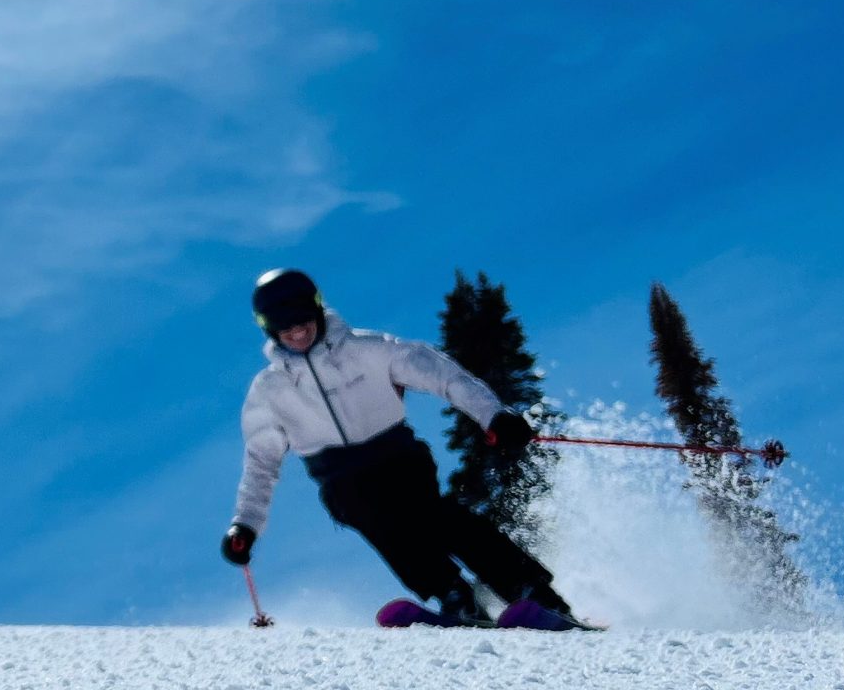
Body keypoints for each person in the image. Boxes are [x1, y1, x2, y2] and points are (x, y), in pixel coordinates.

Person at [219, 268, 577, 627]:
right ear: (268, 328)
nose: (297, 332)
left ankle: (529, 588)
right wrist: (245, 526)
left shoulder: (368, 350)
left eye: (302, 321)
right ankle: (453, 592)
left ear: (316, 309)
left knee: (428, 513)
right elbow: (261, 463)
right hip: (339, 477)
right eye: (285, 327)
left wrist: (494, 417)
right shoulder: (270, 390)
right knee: (364, 510)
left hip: (396, 457)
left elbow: (443, 375)